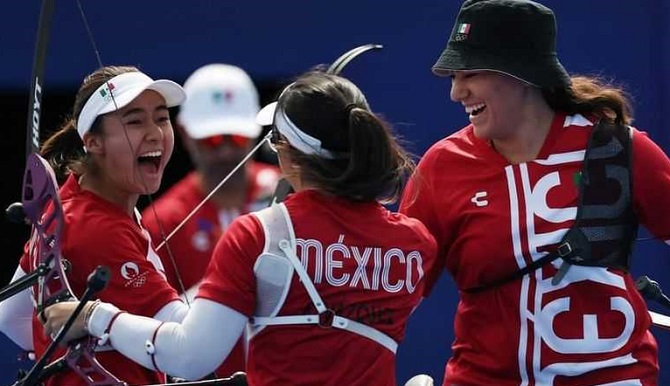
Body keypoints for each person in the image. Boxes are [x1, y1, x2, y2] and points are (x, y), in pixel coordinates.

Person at [42, 71, 438, 386]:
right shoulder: (417, 242)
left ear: (285, 152)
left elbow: (190, 357)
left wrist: (96, 317)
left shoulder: (259, 234)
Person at [399, 0, 669, 385]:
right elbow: (392, 287)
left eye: (469, 74)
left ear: (521, 73)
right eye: (453, 78)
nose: (456, 93)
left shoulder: (619, 149)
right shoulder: (442, 166)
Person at [0, 65, 188, 385]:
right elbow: (186, 348)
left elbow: (9, 315)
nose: (155, 132)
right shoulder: (95, 228)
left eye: (161, 117)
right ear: (94, 142)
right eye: (134, 121)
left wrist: (89, 343)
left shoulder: (72, 199)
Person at [141, 64, 280, 377]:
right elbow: (152, 328)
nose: (226, 151)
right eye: (212, 140)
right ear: (185, 134)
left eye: (236, 137)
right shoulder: (162, 221)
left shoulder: (292, 194)